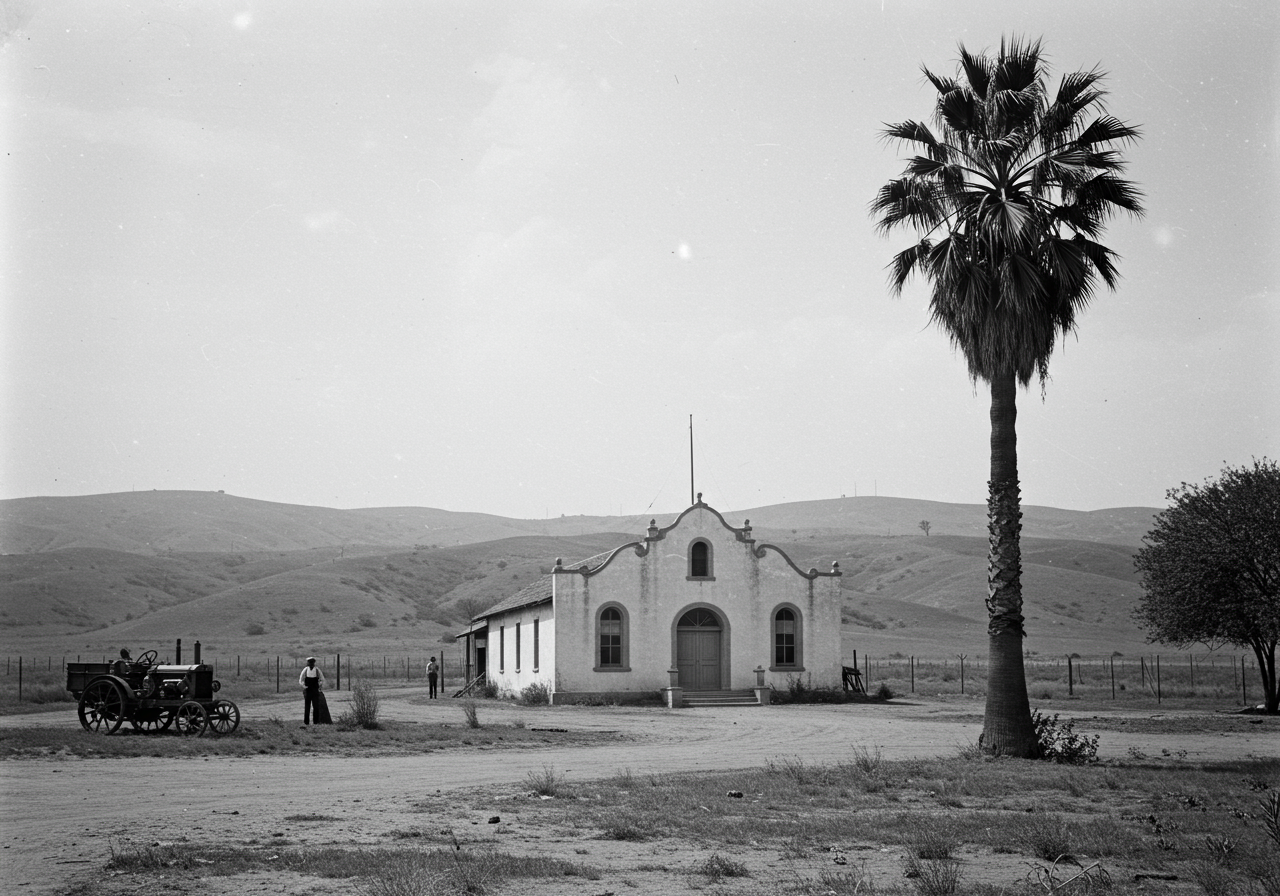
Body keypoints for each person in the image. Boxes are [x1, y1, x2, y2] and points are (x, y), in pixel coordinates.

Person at [298, 656, 325, 725]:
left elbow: (322, 679)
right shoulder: (305, 670)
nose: (311, 664)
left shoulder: (317, 670)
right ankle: (306, 722)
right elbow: (301, 679)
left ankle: (316, 722)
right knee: (307, 706)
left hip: (315, 690)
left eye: (312, 662)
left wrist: (320, 685)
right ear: (308, 663)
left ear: (314, 663)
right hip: (308, 690)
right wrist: (304, 686)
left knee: (316, 706)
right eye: (310, 662)